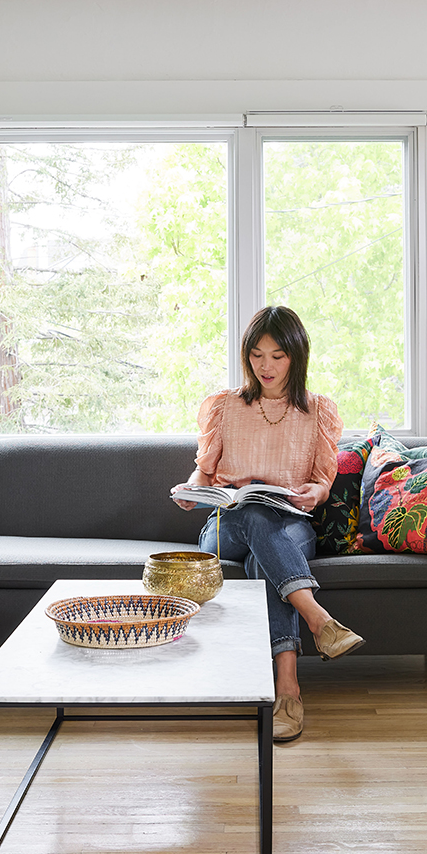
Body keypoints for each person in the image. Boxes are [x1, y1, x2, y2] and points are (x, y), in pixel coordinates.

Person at [170, 305, 364, 742]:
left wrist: (311, 494)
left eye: (277, 355)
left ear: (296, 356)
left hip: (289, 523)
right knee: (252, 512)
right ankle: (319, 623)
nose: (266, 365)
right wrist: (191, 490)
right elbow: (204, 471)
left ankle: (288, 690)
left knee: (265, 549)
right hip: (228, 524)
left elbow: (320, 486)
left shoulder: (318, 412)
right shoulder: (226, 407)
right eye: (257, 354)